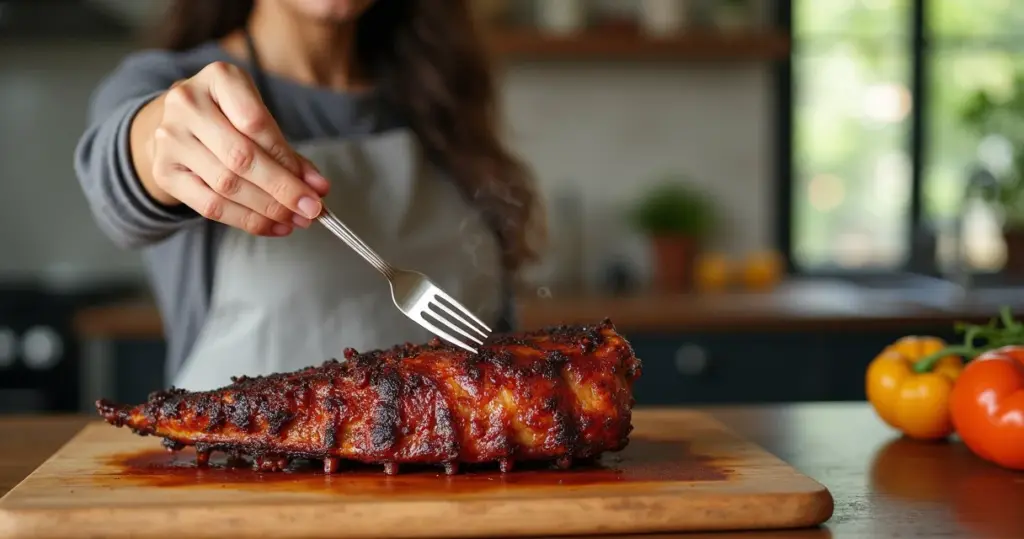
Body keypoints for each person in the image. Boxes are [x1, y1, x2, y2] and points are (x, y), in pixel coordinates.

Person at [74, 0, 546, 392]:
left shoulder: (442, 93)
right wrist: (161, 137)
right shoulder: (169, 84)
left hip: (455, 486)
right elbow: (122, 171)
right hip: (240, 489)